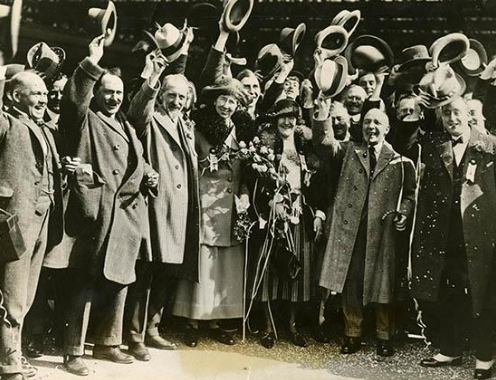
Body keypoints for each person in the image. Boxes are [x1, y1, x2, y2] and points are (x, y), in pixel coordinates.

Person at [58, 34, 158, 376]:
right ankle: (73, 351)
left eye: (118, 92)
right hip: (97, 211)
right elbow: (73, 102)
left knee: (119, 280)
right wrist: (92, 62)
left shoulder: (127, 123)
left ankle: (108, 342)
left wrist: (151, 80)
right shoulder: (86, 118)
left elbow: (141, 114)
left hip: (126, 212)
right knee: (84, 282)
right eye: (108, 91)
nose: (114, 97)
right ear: (97, 92)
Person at [313, 95, 416, 357]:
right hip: (353, 232)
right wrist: (323, 115)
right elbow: (324, 144)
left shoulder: (401, 161)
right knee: (352, 284)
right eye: (368, 122)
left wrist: (404, 212)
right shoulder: (349, 151)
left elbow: (411, 194)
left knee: (384, 284)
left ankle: (384, 335)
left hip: (383, 232)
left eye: (377, 123)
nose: (371, 126)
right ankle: (352, 333)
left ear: (387, 129)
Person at [411, 97, 496, 380]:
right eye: (446, 114)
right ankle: (451, 348)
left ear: (468, 116)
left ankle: (485, 356)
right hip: (447, 235)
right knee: (449, 289)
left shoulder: (489, 146)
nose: (452, 119)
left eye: (456, 112)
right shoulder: (437, 148)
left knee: (484, 295)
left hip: (482, 235)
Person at [125, 53, 200, 360]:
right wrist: (153, 80)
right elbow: (137, 112)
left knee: (168, 270)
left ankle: (153, 328)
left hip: (180, 210)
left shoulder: (185, 124)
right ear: (161, 96)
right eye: (171, 96)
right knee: (146, 272)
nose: (177, 102)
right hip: (156, 207)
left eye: (182, 97)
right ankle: (134, 335)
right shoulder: (150, 118)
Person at [172, 76, 249, 347]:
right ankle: (192, 321)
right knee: (203, 261)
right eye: (223, 99)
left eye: (232, 101)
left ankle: (216, 320)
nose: (227, 106)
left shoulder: (239, 130)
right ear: (215, 100)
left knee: (223, 267)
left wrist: (243, 195)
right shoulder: (199, 127)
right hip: (206, 201)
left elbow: (244, 169)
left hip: (230, 204)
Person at [0, 68, 67, 380]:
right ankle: (9, 362)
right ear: (15, 95)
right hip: (16, 221)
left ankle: (13, 354)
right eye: (36, 93)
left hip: (42, 220)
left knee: (25, 296)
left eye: (45, 93)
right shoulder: (6, 121)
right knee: (11, 295)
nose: (44, 98)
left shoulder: (43, 128)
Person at [249, 99, 325, 349]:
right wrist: (271, 203)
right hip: (273, 217)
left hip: (299, 215)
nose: (287, 121)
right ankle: (269, 327)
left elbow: (318, 184)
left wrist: (317, 213)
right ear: (275, 120)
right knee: (271, 271)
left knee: (296, 273)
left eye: (292, 117)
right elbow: (255, 182)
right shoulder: (266, 146)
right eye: (282, 117)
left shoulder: (304, 148)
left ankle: (292, 325)